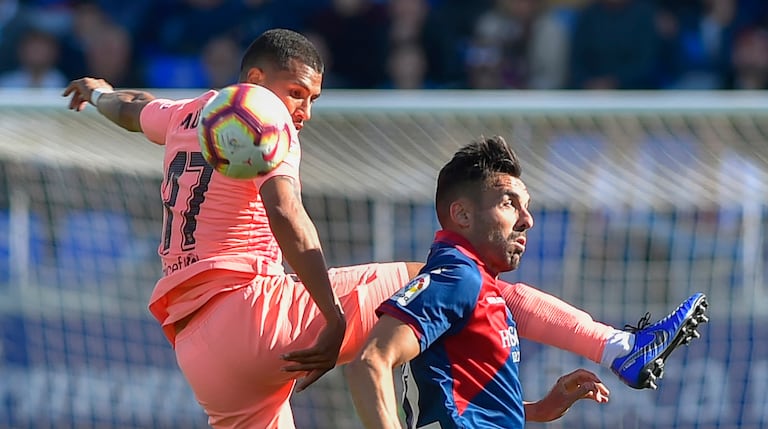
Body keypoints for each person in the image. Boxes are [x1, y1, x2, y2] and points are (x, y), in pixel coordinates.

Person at [62, 28, 708, 429]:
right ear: (255, 79)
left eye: (313, 99)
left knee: (432, 310)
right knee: (454, 280)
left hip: (200, 352)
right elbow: (288, 216)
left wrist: (98, 94)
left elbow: (133, 108)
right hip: (253, 310)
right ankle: (617, 347)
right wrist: (330, 316)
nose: (303, 110)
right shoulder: (260, 111)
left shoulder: (189, 113)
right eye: (297, 92)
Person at [346, 136, 611, 428]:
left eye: (526, 206)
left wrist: (534, 410)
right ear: (462, 214)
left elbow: (455, 395)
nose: (527, 220)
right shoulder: (457, 278)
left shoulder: (475, 283)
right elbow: (370, 361)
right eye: (509, 203)